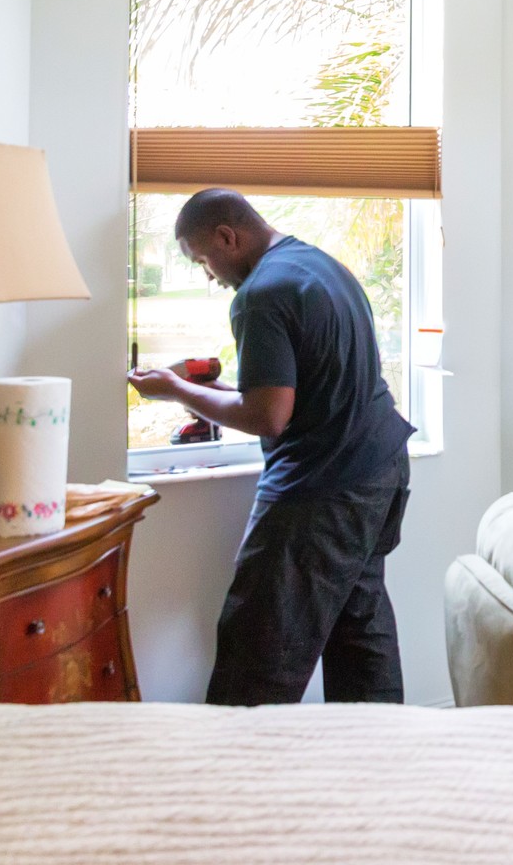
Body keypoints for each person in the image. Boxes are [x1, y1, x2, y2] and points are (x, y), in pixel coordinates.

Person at [127, 189, 414, 706]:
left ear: (226, 237)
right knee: (360, 637)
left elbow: (267, 417)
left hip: (323, 490)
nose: (209, 275)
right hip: (380, 469)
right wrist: (187, 385)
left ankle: (235, 773)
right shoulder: (320, 266)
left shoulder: (260, 294)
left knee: (259, 649)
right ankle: (380, 764)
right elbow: (280, 393)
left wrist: (174, 390)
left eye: (203, 260)